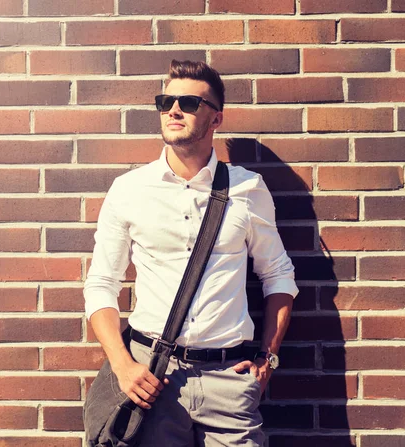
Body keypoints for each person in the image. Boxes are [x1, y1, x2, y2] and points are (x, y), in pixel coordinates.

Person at [83, 59, 298, 446]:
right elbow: (101, 283)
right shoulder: (129, 189)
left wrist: (268, 358)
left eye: (189, 103)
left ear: (216, 119)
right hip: (150, 378)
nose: (174, 110)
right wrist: (122, 364)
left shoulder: (248, 189)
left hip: (229, 381)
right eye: (165, 102)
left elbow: (278, 274)